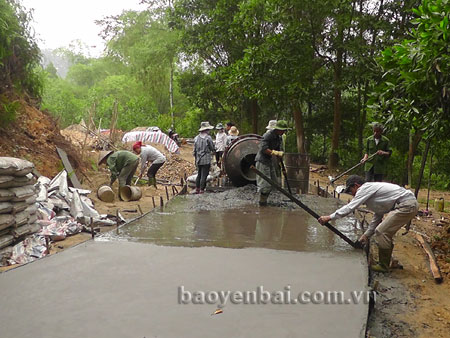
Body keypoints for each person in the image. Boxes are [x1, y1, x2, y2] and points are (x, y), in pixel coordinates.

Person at [317, 175, 418, 272]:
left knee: (381, 232)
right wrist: (366, 235)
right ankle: (389, 261)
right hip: (408, 204)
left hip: (406, 205)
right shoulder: (373, 194)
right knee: (385, 231)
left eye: (350, 190)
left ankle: (383, 266)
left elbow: (350, 207)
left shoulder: (364, 189)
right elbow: (377, 217)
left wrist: (329, 217)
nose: (351, 194)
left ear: (356, 185)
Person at [255, 120, 288, 206]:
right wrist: (275, 152)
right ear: (278, 129)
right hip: (262, 161)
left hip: (269, 161)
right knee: (265, 185)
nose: (284, 132)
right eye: (283, 130)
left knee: (274, 182)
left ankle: (264, 200)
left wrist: (282, 166)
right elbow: (263, 148)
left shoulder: (279, 137)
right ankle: (262, 203)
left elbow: (279, 152)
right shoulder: (268, 135)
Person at [193, 121, 215, 194]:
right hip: (206, 159)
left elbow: (194, 151)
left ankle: (197, 188)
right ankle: (202, 189)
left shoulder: (196, 138)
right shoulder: (208, 138)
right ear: (206, 130)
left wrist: (196, 159)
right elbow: (212, 147)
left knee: (199, 174)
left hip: (198, 159)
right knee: (204, 175)